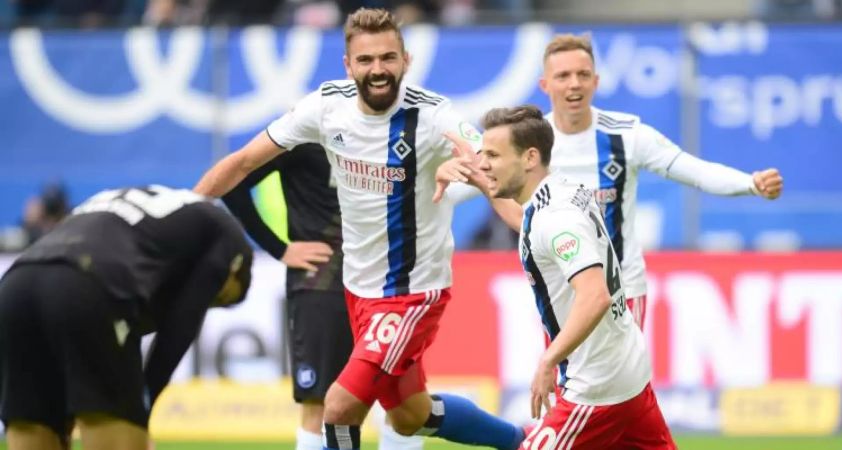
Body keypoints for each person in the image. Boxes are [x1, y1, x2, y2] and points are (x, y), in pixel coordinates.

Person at [194, 7, 524, 450]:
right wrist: (184, 213)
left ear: (406, 60)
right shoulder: (325, 107)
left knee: (338, 406)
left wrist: (535, 225)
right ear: (348, 65)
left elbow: (494, 178)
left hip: (411, 293)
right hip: (358, 289)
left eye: (388, 58)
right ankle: (524, 441)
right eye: (365, 61)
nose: (378, 70)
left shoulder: (433, 117)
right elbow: (244, 163)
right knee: (411, 416)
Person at [440, 34, 785, 329]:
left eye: (582, 74)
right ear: (545, 85)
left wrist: (750, 183)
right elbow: (468, 184)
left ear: (596, 81)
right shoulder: (527, 144)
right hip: (561, 293)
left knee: (603, 394)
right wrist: (428, 190)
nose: (573, 83)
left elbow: (694, 170)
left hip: (623, 292)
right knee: (590, 395)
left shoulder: (626, 135)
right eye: (563, 76)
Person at [474, 104, 677, 449]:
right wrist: (479, 179)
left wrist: (548, 360)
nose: (483, 163)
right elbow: (529, 226)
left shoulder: (556, 218)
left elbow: (594, 295)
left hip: (597, 385)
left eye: (493, 155)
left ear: (529, 158)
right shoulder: (561, 192)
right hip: (627, 368)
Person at [0, 185, 253, 450]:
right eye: (218, 300)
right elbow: (177, 331)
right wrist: (139, 413)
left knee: (33, 423)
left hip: (15, 285)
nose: (208, 303)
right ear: (236, 270)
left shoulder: (139, 215)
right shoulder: (229, 238)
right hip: (87, 283)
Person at [222, 144, 425, 450]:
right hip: (322, 284)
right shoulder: (302, 133)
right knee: (318, 402)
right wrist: (279, 248)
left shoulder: (394, 133)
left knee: (405, 403)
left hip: (388, 286)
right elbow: (232, 183)